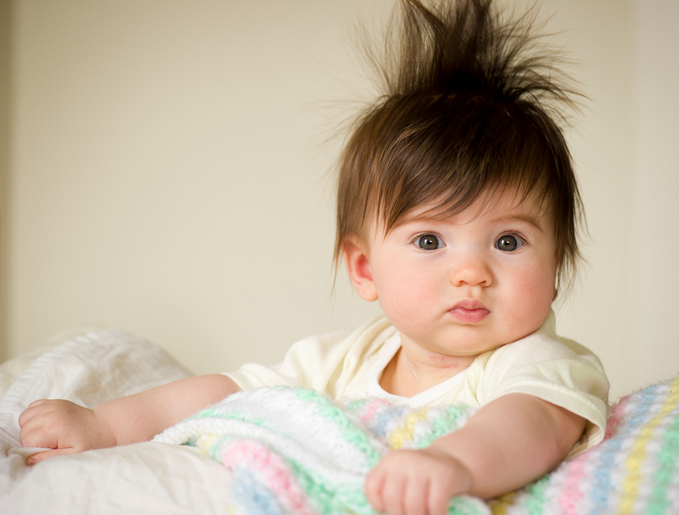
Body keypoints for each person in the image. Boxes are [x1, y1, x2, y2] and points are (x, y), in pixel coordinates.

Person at [18, 0, 609, 514]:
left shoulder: (539, 364)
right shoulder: (346, 360)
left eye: (509, 241)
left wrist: (453, 463)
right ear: (363, 269)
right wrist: (103, 425)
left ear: (555, 268)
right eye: (430, 240)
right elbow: (227, 392)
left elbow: (528, 427)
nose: (472, 271)